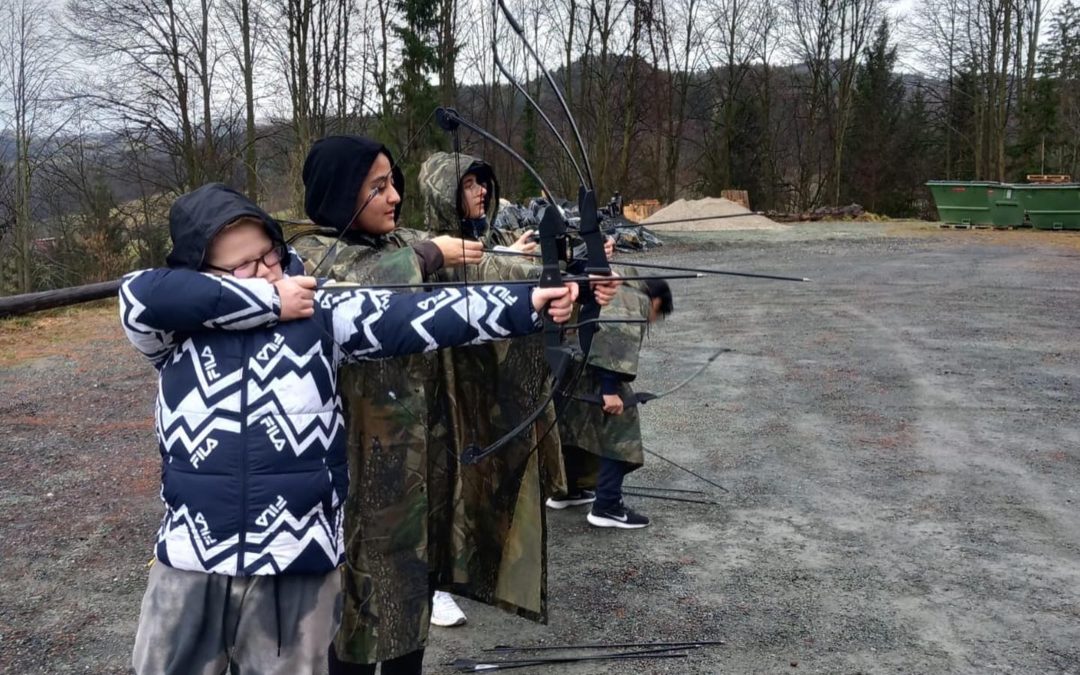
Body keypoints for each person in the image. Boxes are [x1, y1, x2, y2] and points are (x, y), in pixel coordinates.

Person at [120, 182, 579, 675]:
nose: (268, 270)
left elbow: (418, 315)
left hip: (296, 565)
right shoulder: (172, 333)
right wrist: (270, 301)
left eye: (270, 253)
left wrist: (529, 303)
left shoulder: (319, 311)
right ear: (201, 273)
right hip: (191, 563)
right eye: (244, 266)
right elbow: (138, 293)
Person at [553, 277, 673, 529]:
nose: (653, 319)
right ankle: (607, 506)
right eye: (658, 313)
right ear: (657, 302)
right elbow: (614, 340)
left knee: (573, 428)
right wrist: (609, 390)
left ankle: (567, 489)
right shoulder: (631, 298)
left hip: (567, 366)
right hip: (595, 372)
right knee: (621, 434)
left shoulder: (614, 284)